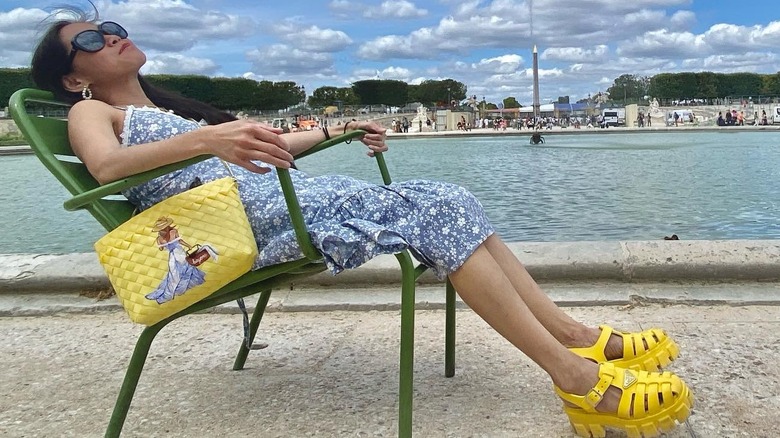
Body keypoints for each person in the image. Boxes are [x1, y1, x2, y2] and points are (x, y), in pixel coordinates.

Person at [31, 11, 693, 437]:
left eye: (109, 23)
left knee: (446, 196)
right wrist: (209, 142)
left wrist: (338, 129)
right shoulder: (96, 115)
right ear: (72, 78)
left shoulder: (185, 116)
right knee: (434, 207)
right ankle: (577, 378)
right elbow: (108, 165)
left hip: (283, 205)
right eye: (89, 39)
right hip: (248, 231)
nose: (111, 34)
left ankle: (574, 336)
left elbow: (274, 149)